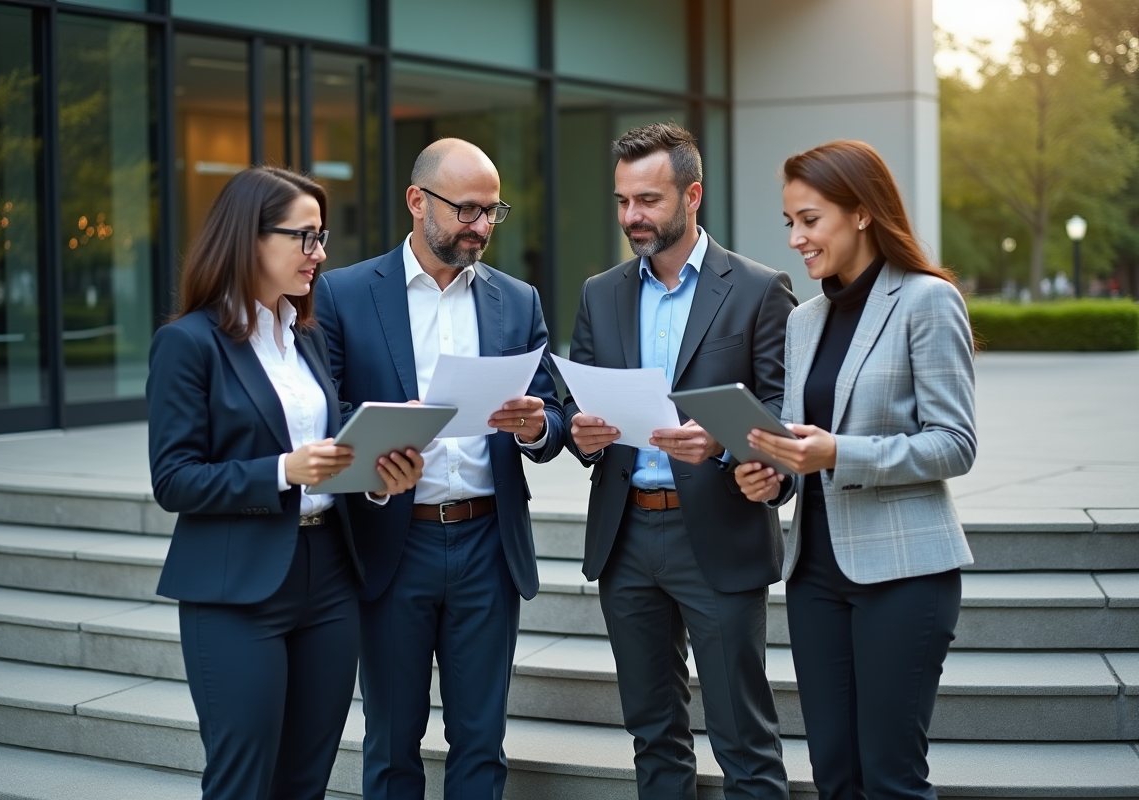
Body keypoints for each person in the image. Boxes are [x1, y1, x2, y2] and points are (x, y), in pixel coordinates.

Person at [146, 167, 424, 800]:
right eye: (305, 237)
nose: (320, 254)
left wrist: (380, 479)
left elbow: (330, 460)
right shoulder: (188, 344)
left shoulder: (305, 337)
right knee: (243, 779)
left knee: (306, 778)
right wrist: (282, 471)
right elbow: (174, 479)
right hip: (236, 587)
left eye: (321, 237)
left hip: (327, 573)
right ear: (250, 239)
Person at [313, 138, 567, 800]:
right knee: (393, 741)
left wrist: (538, 426)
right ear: (417, 201)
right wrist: (377, 450)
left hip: (489, 543)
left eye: (492, 212)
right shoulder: (342, 294)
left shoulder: (519, 300)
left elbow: (555, 416)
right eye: (467, 210)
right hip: (393, 545)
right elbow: (326, 412)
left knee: (481, 742)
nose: (481, 226)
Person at [735, 140, 976, 800]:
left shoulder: (927, 301)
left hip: (904, 573)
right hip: (814, 574)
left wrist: (841, 453)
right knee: (835, 776)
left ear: (862, 213)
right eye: (789, 222)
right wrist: (773, 475)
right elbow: (796, 440)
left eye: (809, 220)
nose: (795, 239)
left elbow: (954, 443)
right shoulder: (805, 318)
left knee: (891, 780)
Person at [563, 122, 796, 800]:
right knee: (651, 732)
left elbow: (783, 405)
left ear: (692, 195)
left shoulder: (758, 289)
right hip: (626, 532)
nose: (632, 217)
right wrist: (581, 431)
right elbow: (573, 396)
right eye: (622, 201)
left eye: (649, 200)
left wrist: (724, 443)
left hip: (718, 532)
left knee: (742, 739)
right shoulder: (599, 292)